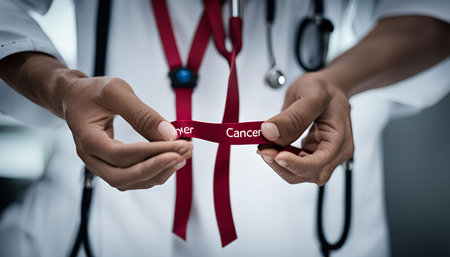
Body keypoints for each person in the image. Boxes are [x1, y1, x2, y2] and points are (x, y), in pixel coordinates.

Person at [0, 0, 449, 256]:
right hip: (94, 228)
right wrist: (61, 88)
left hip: (308, 230)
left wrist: (339, 82)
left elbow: (431, 14)